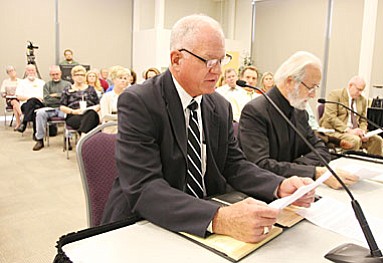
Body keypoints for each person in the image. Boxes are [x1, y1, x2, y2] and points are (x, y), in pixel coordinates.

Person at [102, 14, 315, 244]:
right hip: (143, 223)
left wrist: (278, 185)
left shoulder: (219, 106)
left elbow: (234, 165)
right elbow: (144, 187)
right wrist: (219, 218)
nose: (219, 70)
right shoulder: (139, 102)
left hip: (202, 217)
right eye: (209, 61)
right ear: (176, 59)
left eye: (222, 60)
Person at [238, 51, 359, 190]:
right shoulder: (255, 111)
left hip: (297, 188)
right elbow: (259, 166)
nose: (313, 95)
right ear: (290, 82)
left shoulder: (299, 111)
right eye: (310, 87)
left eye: (316, 88)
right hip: (265, 193)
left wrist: (296, 168)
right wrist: (313, 172)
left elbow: (320, 149)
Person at [319, 76, 383, 155]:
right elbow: (330, 117)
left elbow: (363, 120)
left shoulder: (362, 100)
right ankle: (349, 164)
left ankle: (373, 165)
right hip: (336, 131)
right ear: (350, 86)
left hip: (355, 133)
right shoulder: (335, 95)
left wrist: (363, 132)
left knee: (378, 140)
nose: (360, 93)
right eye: (359, 89)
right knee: (355, 140)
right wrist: (349, 130)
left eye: (362, 90)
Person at [32, 65, 71, 151]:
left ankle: (67, 139)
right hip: (50, 108)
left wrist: (55, 95)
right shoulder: (47, 85)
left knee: (69, 114)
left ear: (60, 73)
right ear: (50, 75)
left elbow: (68, 98)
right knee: (39, 113)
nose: (55, 76)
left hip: (63, 108)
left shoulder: (67, 84)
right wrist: (61, 96)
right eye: (53, 74)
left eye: (57, 74)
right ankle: (40, 140)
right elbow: (46, 100)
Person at [59, 65, 100, 139]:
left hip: (89, 114)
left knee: (91, 115)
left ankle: (82, 137)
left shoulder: (91, 89)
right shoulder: (67, 89)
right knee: (88, 123)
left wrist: (91, 109)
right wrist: (74, 111)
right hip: (74, 115)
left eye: (82, 75)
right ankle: (85, 139)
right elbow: (62, 107)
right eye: (77, 75)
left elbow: (98, 104)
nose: (79, 77)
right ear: (73, 77)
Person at [15, 64, 45, 133]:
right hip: (25, 105)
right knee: (34, 109)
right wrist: (31, 98)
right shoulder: (21, 83)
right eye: (29, 70)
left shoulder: (41, 82)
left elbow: (45, 96)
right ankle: (36, 134)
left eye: (32, 70)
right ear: (26, 72)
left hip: (40, 103)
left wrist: (37, 99)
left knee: (34, 102)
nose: (31, 72)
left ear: (35, 71)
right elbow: (18, 96)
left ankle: (24, 122)